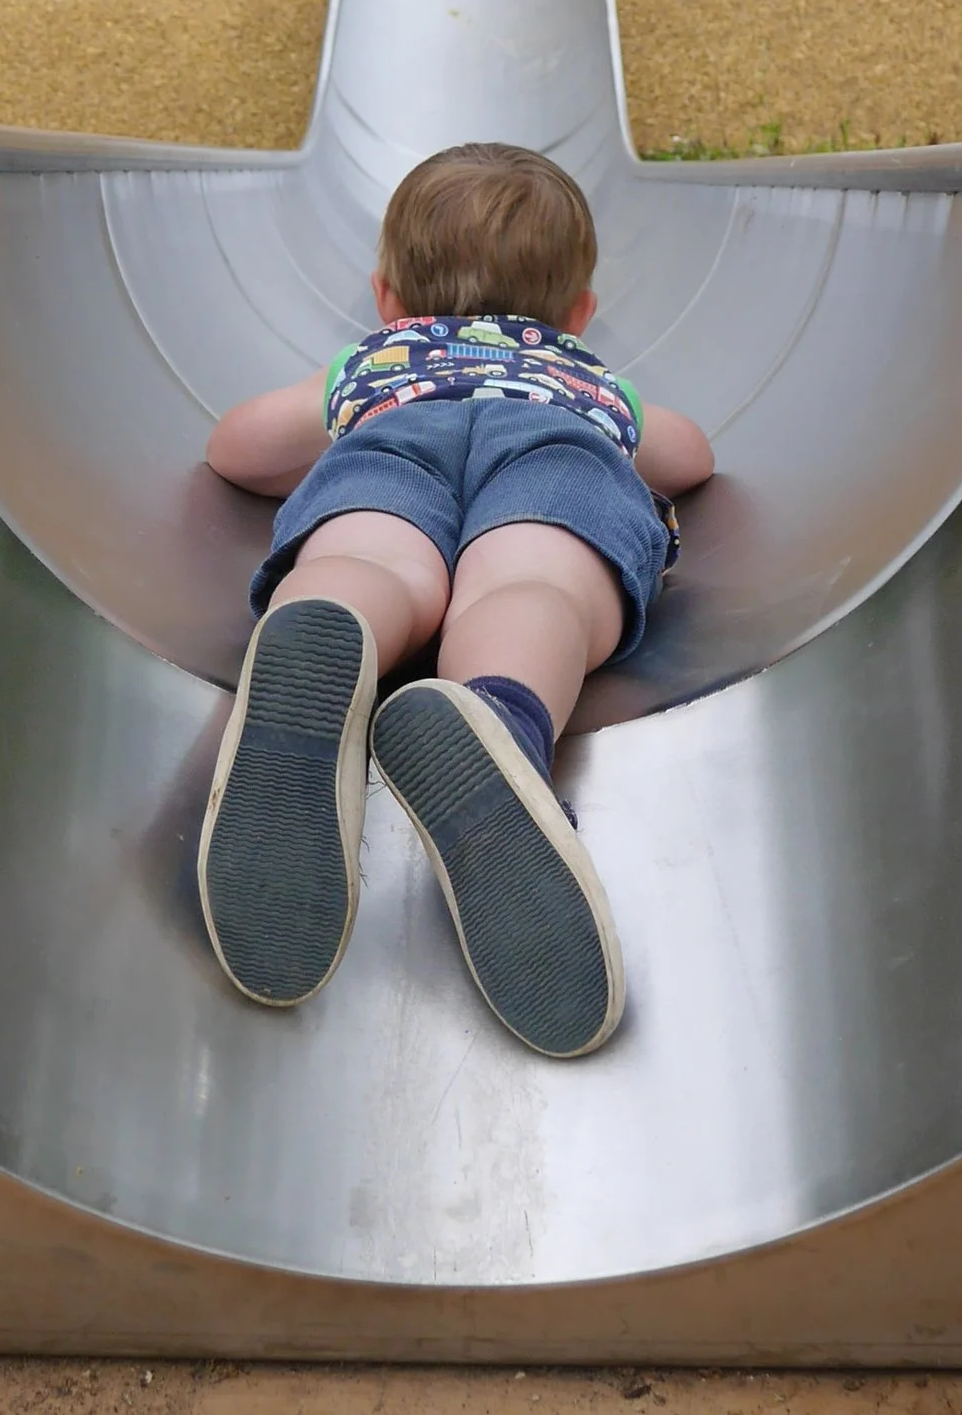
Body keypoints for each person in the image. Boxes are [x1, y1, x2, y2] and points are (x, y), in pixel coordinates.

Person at [198, 141, 714, 1059]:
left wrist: (348, 404)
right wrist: (619, 411)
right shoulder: (586, 380)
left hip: (399, 435)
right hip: (552, 447)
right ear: (581, 312)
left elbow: (236, 447)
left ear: (385, 296)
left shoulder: (377, 361)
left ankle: (330, 626)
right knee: (533, 583)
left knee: (373, 555)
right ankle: (501, 722)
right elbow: (689, 456)